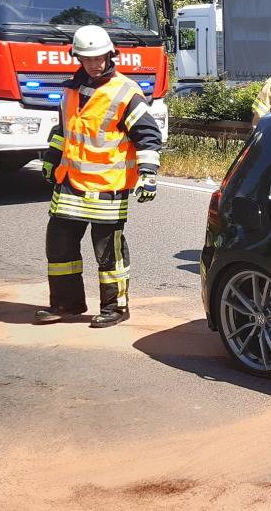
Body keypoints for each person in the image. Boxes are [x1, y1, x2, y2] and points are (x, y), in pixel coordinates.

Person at [37, 25, 163, 328]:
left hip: (108, 185)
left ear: (111, 54)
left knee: (108, 251)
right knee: (59, 245)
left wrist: (148, 174)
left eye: (100, 57)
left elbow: (148, 135)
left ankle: (115, 308)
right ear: (77, 57)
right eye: (88, 58)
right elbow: (64, 131)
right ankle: (66, 304)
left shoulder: (125, 91)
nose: (95, 63)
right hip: (69, 183)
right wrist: (51, 159)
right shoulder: (70, 90)